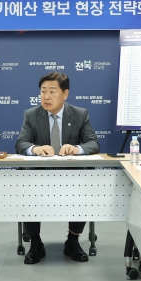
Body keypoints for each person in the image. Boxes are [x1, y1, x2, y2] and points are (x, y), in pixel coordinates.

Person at [15, 72, 100, 264]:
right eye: (43, 91)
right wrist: (35, 149)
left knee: (84, 188)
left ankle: (73, 241)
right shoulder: (31, 115)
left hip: (72, 176)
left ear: (65, 94)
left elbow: (93, 143)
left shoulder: (80, 114)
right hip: (39, 176)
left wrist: (76, 149)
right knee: (27, 189)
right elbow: (21, 143)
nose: (46, 96)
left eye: (52, 91)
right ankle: (35, 243)